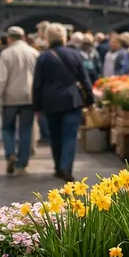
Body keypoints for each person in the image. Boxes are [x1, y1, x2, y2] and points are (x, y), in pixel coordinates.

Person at [32, 23, 91, 181]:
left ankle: (58, 167)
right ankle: (66, 167)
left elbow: (37, 84)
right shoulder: (75, 55)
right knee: (70, 136)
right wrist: (90, 99)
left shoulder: (43, 57)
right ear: (65, 37)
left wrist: (36, 106)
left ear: (48, 38)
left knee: (55, 136)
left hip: (50, 102)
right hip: (72, 100)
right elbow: (84, 79)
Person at [0, 26, 39, 175]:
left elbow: (0, 79)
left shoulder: (6, 54)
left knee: (7, 128)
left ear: (9, 38)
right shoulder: (34, 53)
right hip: (29, 97)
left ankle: (10, 153)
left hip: (10, 98)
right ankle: (22, 163)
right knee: (26, 130)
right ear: (23, 37)